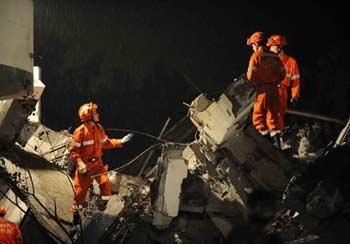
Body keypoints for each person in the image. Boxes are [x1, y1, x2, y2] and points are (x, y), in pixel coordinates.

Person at [69, 102, 133, 214]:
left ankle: (101, 206)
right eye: (95, 113)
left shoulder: (99, 129)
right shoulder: (80, 132)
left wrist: (120, 141)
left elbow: (106, 143)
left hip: (97, 164)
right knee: (80, 192)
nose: (98, 114)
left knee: (105, 184)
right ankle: (75, 213)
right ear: (89, 116)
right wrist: (80, 163)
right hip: (85, 167)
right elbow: (74, 151)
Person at [246, 31, 285, 149]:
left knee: (258, 117)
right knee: (272, 117)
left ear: (257, 44)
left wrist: (257, 82)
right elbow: (283, 73)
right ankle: (278, 145)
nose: (252, 47)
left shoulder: (256, 56)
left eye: (252, 45)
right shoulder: (274, 56)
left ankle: (266, 146)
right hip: (274, 89)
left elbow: (250, 76)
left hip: (263, 90)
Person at [267, 34, 300, 134]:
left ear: (280, 46)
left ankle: (278, 137)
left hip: (281, 91)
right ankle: (273, 137)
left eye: (272, 46)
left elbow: (296, 80)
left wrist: (295, 95)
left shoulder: (291, 62)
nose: (270, 49)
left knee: (278, 117)